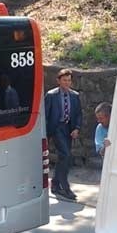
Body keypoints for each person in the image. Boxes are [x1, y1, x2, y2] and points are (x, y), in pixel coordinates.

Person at [44, 68, 82, 201]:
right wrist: (46, 134)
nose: (67, 83)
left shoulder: (74, 96)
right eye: (64, 80)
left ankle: (55, 184)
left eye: (69, 80)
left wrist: (76, 128)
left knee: (63, 157)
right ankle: (65, 187)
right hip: (56, 128)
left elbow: (78, 114)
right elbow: (46, 116)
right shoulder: (51, 95)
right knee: (66, 155)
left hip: (68, 129)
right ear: (58, 81)